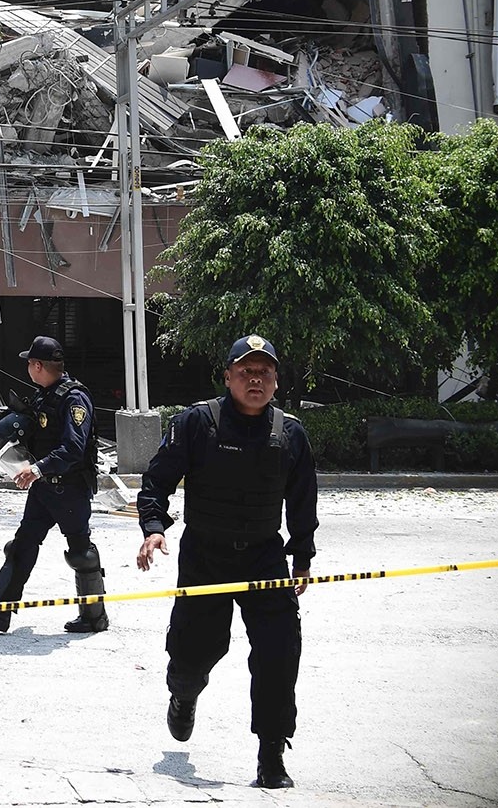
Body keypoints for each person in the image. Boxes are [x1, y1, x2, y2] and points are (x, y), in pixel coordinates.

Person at [136, 334, 318, 791]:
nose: (255, 379)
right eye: (245, 371)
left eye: (264, 372)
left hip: (264, 557)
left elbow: (302, 502)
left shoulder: (290, 432)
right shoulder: (197, 423)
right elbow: (156, 481)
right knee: (196, 650)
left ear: (276, 380)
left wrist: (302, 555)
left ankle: (271, 755)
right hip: (205, 557)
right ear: (228, 377)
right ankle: (184, 691)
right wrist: (154, 528)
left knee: (279, 654)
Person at [0, 335, 108, 635]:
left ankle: (94, 616)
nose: (28, 369)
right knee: (22, 545)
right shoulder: (43, 396)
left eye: (29, 364)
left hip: (70, 488)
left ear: (37, 365)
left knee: (80, 552)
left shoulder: (74, 399)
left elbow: (74, 449)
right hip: (44, 489)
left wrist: (36, 468)